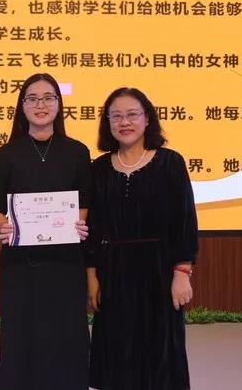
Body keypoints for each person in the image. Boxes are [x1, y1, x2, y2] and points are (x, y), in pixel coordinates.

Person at [86, 87, 198, 390]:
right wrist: (92, 276)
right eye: (116, 116)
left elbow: (185, 221)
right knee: (117, 355)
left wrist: (182, 272)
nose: (124, 122)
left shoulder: (170, 163)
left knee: (160, 357)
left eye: (132, 114)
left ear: (147, 118)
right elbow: (93, 229)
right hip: (113, 273)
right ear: (107, 123)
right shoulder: (98, 169)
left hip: (159, 272)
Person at [0, 72, 91, 390]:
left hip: (65, 264)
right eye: (32, 99)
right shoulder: (5, 155)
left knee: (66, 341)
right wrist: (4, 226)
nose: (40, 105)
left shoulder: (77, 152)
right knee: (20, 341)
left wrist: (77, 223)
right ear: (22, 106)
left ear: (59, 105)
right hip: (20, 267)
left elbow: (84, 202)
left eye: (48, 98)